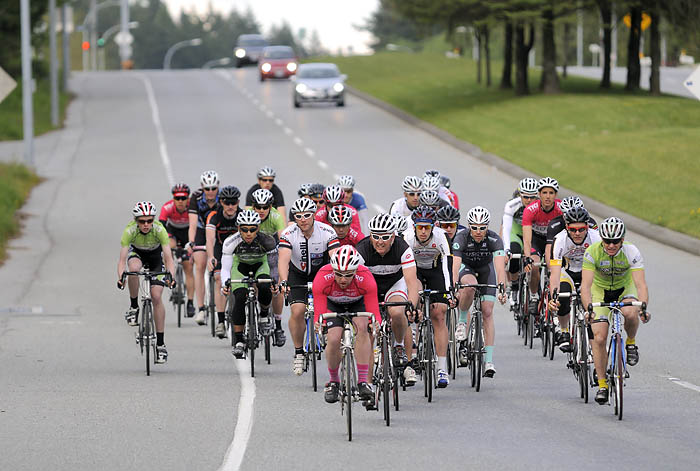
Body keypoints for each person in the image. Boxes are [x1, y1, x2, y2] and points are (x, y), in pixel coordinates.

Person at [580, 217, 650, 405]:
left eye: (615, 241)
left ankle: (631, 342)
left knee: (630, 312)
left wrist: (643, 306)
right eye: (607, 241)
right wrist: (588, 309)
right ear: (601, 239)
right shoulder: (592, 252)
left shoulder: (631, 251)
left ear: (622, 239)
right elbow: (585, 287)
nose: (611, 245)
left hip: (624, 290)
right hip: (600, 291)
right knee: (600, 336)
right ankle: (602, 384)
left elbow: (640, 285)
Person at [356, 213, 420, 386]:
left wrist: (412, 307)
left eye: (385, 237)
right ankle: (367, 384)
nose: (380, 241)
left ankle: (399, 346)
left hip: (395, 284)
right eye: (375, 236)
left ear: (393, 236)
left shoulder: (402, 247)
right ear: (370, 236)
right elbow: (356, 284)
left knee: (398, 312)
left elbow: (412, 282)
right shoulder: (362, 249)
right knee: (369, 333)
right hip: (371, 287)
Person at [278, 198, 340, 375]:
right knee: (297, 311)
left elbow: (335, 258)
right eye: (298, 216)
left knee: (329, 309)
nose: (303, 219)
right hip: (297, 274)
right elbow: (283, 260)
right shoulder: (289, 234)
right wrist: (283, 280)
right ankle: (298, 352)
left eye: (307, 215)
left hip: (322, 273)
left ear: (314, 215)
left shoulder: (327, 231)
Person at [313, 245, 380, 404]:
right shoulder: (323, 276)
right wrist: (319, 324)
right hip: (332, 305)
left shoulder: (365, 276)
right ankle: (334, 382)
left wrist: (376, 323)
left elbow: (374, 312)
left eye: (348, 275)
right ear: (333, 270)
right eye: (339, 274)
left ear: (356, 271)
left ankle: (363, 382)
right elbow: (319, 314)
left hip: (358, 304)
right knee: (334, 338)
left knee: (363, 329)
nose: (343, 280)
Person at [117, 201, 176, 364]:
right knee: (133, 268)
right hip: (137, 254)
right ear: (136, 220)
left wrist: (171, 276)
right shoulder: (129, 231)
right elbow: (122, 260)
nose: (146, 224)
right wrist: (121, 277)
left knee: (156, 296)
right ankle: (134, 306)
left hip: (156, 258)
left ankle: (161, 344)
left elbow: (169, 258)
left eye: (149, 220)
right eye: (142, 221)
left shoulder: (159, 230)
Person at [452, 206, 508, 377]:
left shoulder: (494, 239)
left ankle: (489, 361)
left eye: (482, 227)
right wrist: (454, 285)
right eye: (474, 227)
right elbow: (455, 265)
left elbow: (499, 267)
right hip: (466, 268)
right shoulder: (461, 237)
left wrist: (502, 288)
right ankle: (462, 322)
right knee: (470, 286)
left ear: (487, 227)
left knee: (488, 311)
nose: (478, 231)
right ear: (469, 226)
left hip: (486, 269)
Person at [403, 206, 453, 388]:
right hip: (414, 271)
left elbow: (447, 265)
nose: (423, 231)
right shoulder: (407, 238)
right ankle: (413, 347)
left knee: (439, 314)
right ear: (414, 226)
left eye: (427, 227)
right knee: (413, 304)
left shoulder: (441, 236)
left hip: (435, 270)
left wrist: (449, 291)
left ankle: (442, 368)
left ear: (434, 226)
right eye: (419, 227)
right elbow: (405, 273)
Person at [221, 210, 278, 359]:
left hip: (261, 265)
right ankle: (239, 340)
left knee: (265, 285)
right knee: (239, 297)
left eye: (252, 229)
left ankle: (264, 315)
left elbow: (273, 267)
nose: (248, 233)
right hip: (240, 267)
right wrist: (225, 284)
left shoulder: (268, 241)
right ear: (238, 228)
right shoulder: (230, 242)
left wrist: (275, 282)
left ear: (258, 228)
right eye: (244, 229)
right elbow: (226, 268)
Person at [547, 206, 601, 352]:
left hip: (588, 272)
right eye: (573, 230)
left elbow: (601, 268)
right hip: (568, 272)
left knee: (591, 305)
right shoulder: (559, 240)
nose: (577, 233)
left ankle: (593, 344)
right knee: (563, 295)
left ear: (587, 227)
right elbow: (555, 273)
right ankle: (564, 330)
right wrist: (554, 297)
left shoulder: (596, 238)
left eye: (581, 229)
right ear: (566, 227)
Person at [250, 188, 287, 346]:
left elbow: (284, 239)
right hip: (255, 255)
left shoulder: (276, 217)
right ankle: (259, 310)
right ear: (253, 207)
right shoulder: (249, 217)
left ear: (271, 207)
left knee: (276, 288)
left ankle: (278, 327)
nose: (261, 210)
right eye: (258, 207)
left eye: (265, 207)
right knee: (255, 284)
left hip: (272, 254)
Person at [205, 185, 242, 337]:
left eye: (234, 203)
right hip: (221, 251)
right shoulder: (214, 215)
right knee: (220, 279)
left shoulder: (242, 215)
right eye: (227, 203)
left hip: (239, 252)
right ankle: (220, 321)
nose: (231, 206)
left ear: (238, 202)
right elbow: (210, 239)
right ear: (221, 202)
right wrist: (210, 257)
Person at [522, 177, 562, 313]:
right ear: (539, 194)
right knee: (534, 265)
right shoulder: (530, 210)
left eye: (551, 193)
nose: (548, 196)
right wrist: (527, 257)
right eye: (544, 193)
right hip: (536, 240)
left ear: (555, 195)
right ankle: (534, 295)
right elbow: (527, 240)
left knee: (555, 269)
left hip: (554, 241)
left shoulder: (561, 209)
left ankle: (554, 298)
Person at [187, 171, 220, 324]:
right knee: (199, 265)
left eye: (213, 188)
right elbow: (192, 224)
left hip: (218, 230)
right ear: (202, 188)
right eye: (207, 189)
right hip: (201, 229)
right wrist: (191, 242)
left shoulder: (223, 198)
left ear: (218, 186)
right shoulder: (196, 198)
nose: (211, 192)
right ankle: (201, 308)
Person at [159, 182, 195, 317]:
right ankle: (169, 273)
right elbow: (161, 228)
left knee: (188, 267)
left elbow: (197, 227)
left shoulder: (192, 207)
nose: (180, 201)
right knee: (169, 246)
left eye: (183, 198)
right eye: (177, 198)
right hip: (172, 231)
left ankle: (190, 303)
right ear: (173, 198)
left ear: (188, 198)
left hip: (187, 233)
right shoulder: (167, 207)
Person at [501, 177, 538, 299]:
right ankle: (515, 285)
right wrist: (506, 250)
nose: (528, 200)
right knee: (514, 252)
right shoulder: (512, 205)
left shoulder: (540, 206)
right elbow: (505, 229)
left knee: (536, 263)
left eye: (532, 197)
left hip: (532, 235)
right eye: (525, 197)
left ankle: (535, 291)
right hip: (516, 233)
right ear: (520, 195)